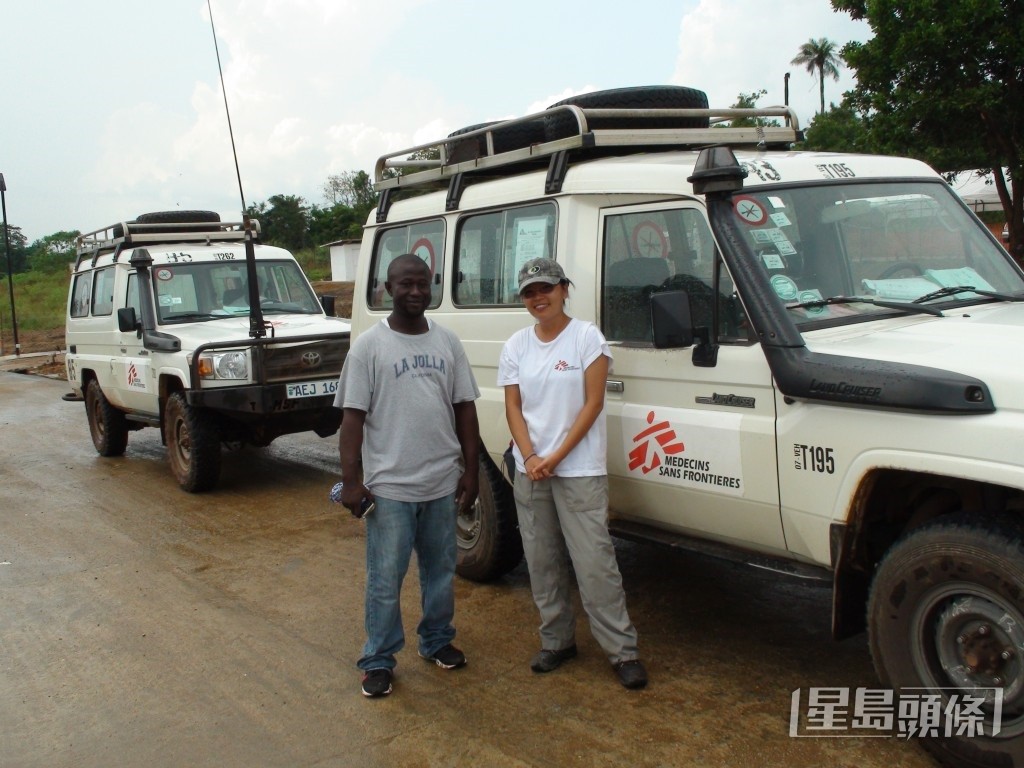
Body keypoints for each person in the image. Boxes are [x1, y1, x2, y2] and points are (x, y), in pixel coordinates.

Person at [334, 253, 480, 698]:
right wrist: (352, 482)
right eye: (405, 284)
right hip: (391, 488)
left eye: (422, 284)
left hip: (441, 483)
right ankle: (377, 659)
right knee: (386, 579)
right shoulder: (369, 347)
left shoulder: (448, 342)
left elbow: (465, 409)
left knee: (440, 572)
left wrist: (470, 471)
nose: (415, 291)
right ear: (386, 289)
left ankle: (436, 640)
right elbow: (352, 421)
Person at [497, 257, 647, 690]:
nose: (538, 298)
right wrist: (528, 457)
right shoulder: (517, 346)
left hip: (577, 468)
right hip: (532, 470)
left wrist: (555, 456)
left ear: (564, 288)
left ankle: (623, 651)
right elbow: (513, 406)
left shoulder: (586, 338)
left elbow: (593, 404)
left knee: (594, 563)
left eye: (545, 288)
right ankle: (557, 641)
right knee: (542, 561)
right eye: (529, 292)